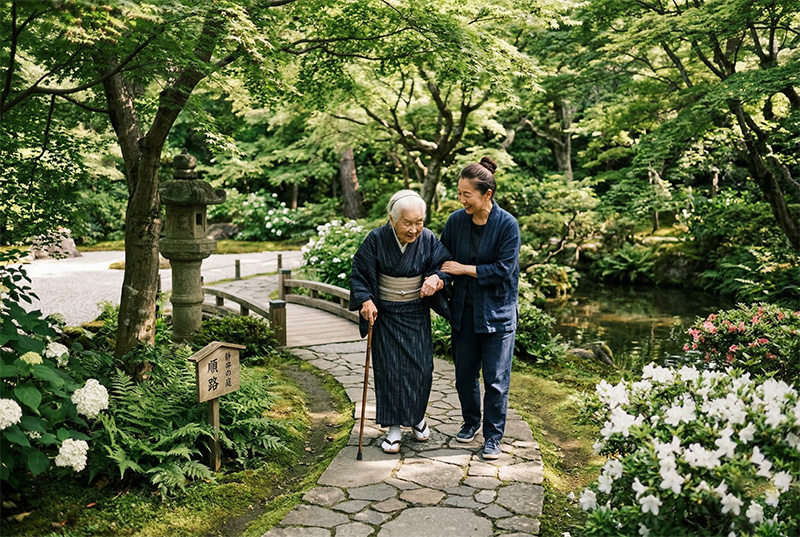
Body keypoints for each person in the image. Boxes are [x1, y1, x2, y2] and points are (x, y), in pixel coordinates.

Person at [349, 190, 450, 454]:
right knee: (390, 371)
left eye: (419, 222)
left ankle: (417, 418)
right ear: (392, 219)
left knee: (421, 370)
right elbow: (359, 273)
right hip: (386, 314)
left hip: (416, 312)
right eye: (408, 223)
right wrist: (365, 300)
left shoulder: (428, 239)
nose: (414, 229)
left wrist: (437, 278)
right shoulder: (376, 239)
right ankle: (393, 428)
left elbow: (444, 265)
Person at [440, 156, 520, 460]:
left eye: (467, 195)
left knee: (496, 381)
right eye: (459, 193)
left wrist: (463, 269)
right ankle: (471, 421)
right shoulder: (456, 221)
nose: (461, 200)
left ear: (487, 194)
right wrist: (437, 278)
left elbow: (503, 270)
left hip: (498, 314)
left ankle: (493, 436)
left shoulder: (507, 225)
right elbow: (443, 259)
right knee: (464, 375)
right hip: (464, 311)